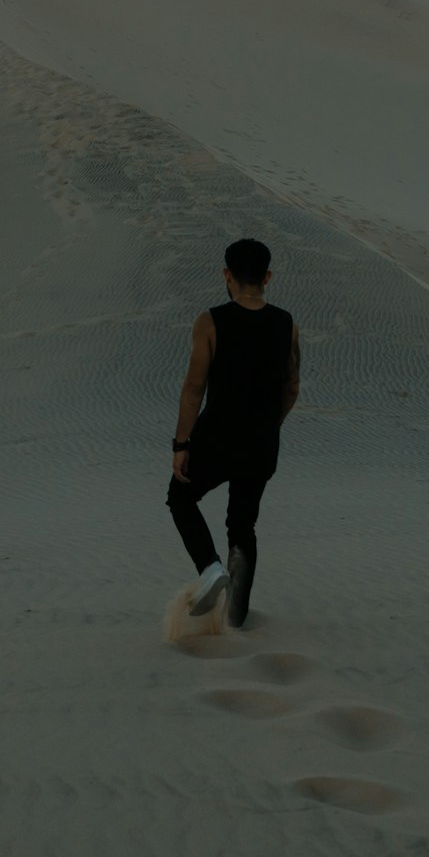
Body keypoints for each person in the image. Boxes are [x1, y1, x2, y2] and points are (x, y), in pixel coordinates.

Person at [165, 238, 301, 627]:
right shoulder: (287, 324)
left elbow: (194, 387)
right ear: (267, 277)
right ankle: (236, 620)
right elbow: (292, 387)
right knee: (242, 524)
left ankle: (210, 569)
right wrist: (269, 426)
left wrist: (181, 444)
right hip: (261, 443)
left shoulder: (210, 321)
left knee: (180, 498)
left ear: (227, 275)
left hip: (216, 436)